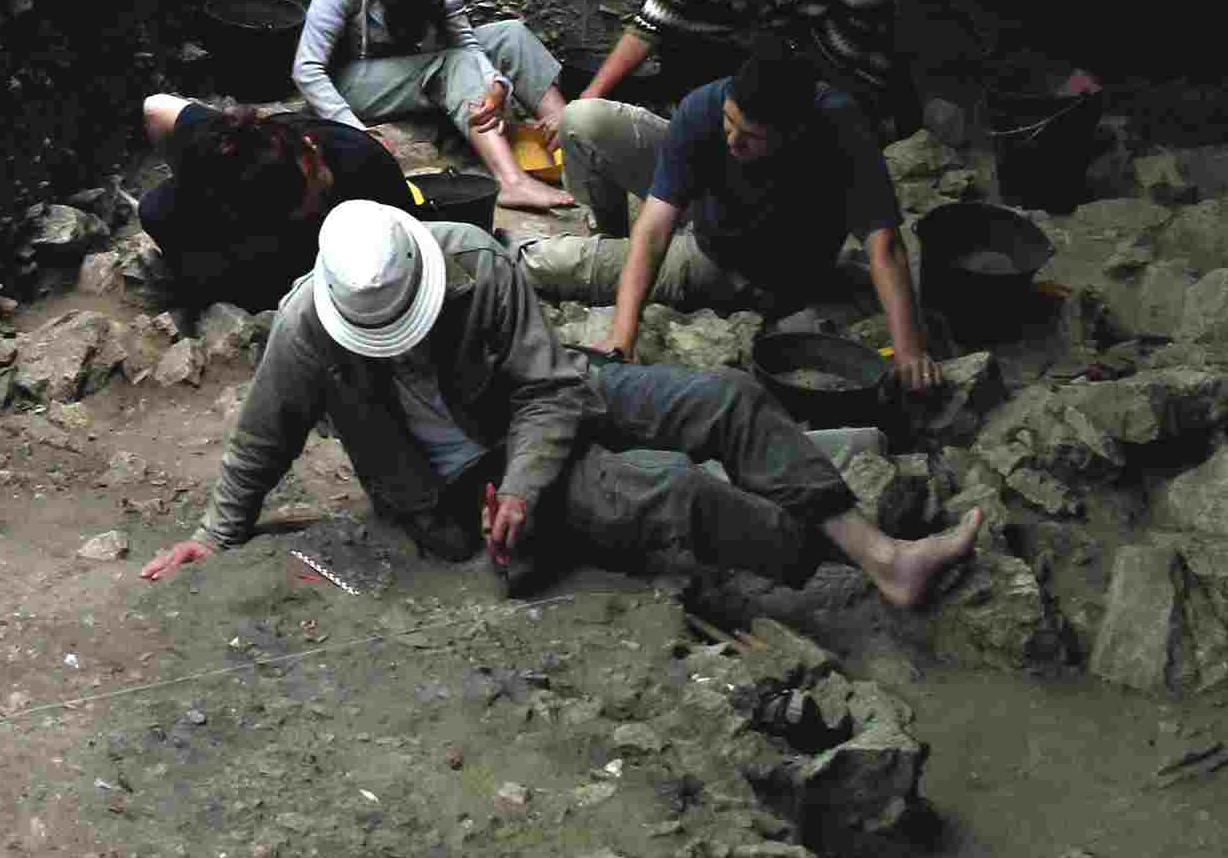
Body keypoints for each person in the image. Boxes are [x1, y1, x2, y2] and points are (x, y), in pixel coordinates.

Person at [139, 200, 979, 606]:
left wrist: (531, 482)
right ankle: (842, 565)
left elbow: (547, 388)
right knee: (664, 493)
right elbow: (260, 442)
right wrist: (214, 538)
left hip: (538, 403)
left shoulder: (472, 259)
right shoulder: (304, 331)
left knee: (726, 396)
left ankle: (881, 553)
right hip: (452, 487)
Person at [520, 50, 941, 387]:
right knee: (583, 118)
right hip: (708, 214)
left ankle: (514, 251)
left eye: (750, 137)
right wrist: (623, 333)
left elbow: (883, 244)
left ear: (791, 132)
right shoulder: (706, 106)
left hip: (728, 261)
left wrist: (909, 350)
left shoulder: (841, 127)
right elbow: (653, 230)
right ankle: (592, 234)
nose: (732, 139)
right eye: (729, 122)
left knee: (550, 264)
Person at [564, 0, 911, 193]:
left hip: (835, 14)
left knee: (836, 120)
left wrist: (831, 118)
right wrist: (590, 95)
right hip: (774, 21)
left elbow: (864, 51)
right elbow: (652, 23)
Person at [292, 0, 571, 216]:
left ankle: (570, 135)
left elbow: (464, 40)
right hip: (352, 80)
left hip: (409, 64)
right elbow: (307, 69)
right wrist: (359, 135)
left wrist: (496, 84)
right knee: (453, 65)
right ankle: (512, 181)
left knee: (510, 35)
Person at [134, 90, 419, 312]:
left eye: (309, 196)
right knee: (154, 210)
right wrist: (186, 177)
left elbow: (411, 245)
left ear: (309, 148)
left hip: (328, 237)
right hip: (255, 227)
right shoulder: (229, 145)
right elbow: (154, 109)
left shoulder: (365, 164)